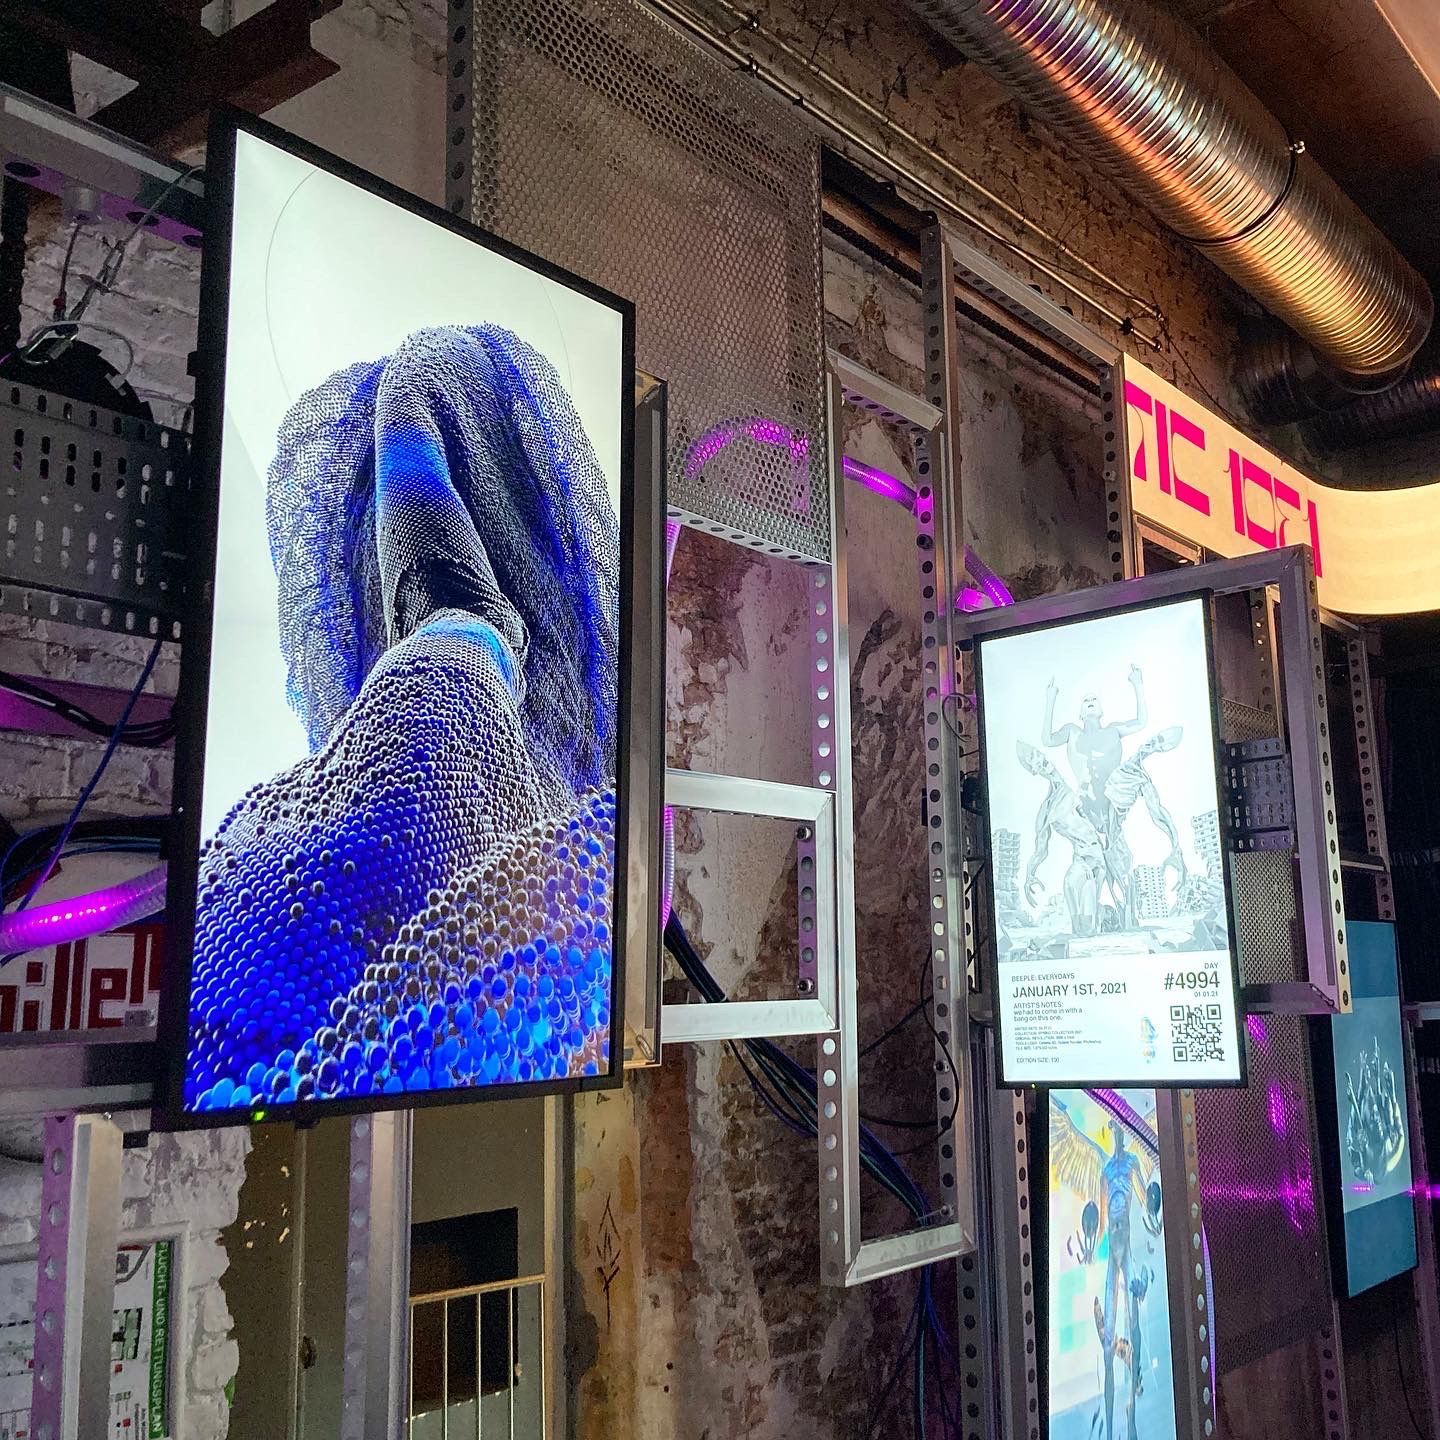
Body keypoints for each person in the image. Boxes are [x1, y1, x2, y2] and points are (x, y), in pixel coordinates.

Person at [1043, 665, 1147, 830]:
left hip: (1111, 805)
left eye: (1094, 700)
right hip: (1083, 806)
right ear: (1080, 714)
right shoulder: (1072, 732)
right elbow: (1048, 740)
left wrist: (1138, 684)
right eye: (1086, 700)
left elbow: (1141, 722)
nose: (1090, 701)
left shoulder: (1113, 730)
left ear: (1101, 711)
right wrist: (1050, 699)